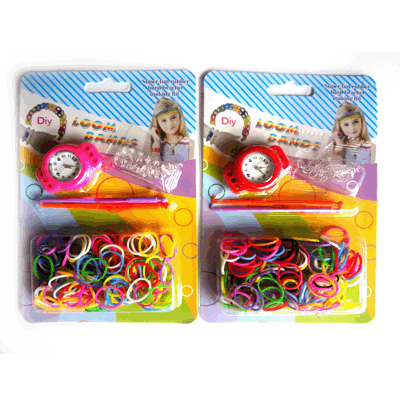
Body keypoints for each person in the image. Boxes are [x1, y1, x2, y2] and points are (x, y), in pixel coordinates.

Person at [148, 98, 193, 162]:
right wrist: (156, 141)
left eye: (173, 117)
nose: (170, 124)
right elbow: (154, 166)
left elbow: (191, 168)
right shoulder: (158, 145)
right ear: (157, 123)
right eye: (164, 120)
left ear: (180, 117)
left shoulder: (190, 143)